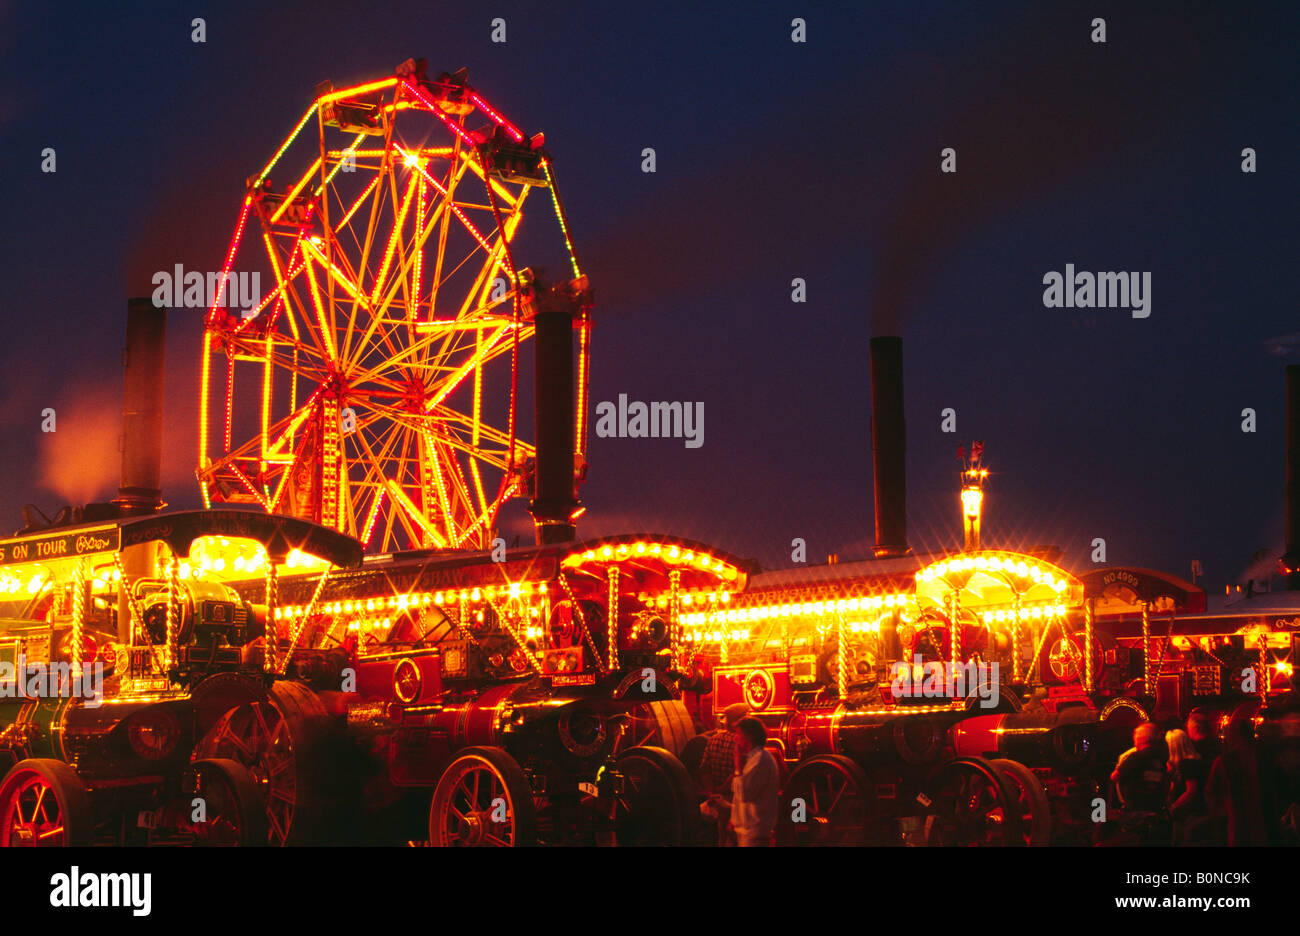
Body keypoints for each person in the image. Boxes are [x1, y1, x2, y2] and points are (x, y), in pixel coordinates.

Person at [728, 717, 780, 847]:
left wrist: (738, 767)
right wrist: (734, 819)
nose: (735, 738)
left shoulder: (760, 760)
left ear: (749, 737)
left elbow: (745, 794)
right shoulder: (755, 759)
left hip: (754, 834)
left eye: (738, 734)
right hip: (748, 832)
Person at [1165, 728, 1209, 844]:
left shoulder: (1188, 764)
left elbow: (1191, 791)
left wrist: (1174, 806)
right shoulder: (1182, 764)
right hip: (1186, 813)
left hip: (1190, 813)